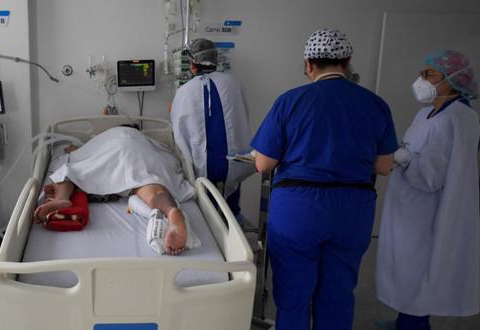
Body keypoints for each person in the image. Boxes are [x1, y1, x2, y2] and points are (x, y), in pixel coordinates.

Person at [250, 28, 397, 330]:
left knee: (293, 294)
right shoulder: (375, 104)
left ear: (308, 64)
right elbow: (384, 166)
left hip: (298, 211)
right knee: (338, 292)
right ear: (348, 61)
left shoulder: (290, 102)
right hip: (352, 211)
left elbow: (264, 163)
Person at [376, 50, 480, 330]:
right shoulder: (427, 113)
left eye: (429, 74)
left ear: (452, 79)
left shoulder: (458, 118)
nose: (421, 79)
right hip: (409, 204)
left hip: (428, 210)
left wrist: (402, 157)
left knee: (419, 270)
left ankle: (414, 324)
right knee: (406, 268)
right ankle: (404, 320)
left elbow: (434, 176)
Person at [33, 126, 196, 255]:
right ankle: (170, 210)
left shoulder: (105, 137)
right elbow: (168, 152)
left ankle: (60, 198)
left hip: (116, 150)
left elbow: (78, 153)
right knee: (151, 184)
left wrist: (75, 150)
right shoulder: (146, 140)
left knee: (69, 169)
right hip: (143, 152)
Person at [170, 38, 253, 222]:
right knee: (230, 215)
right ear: (215, 60)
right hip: (234, 165)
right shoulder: (234, 84)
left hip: (201, 170)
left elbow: (178, 133)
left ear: (192, 65)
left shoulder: (184, 92)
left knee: (205, 218)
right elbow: (243, 117)